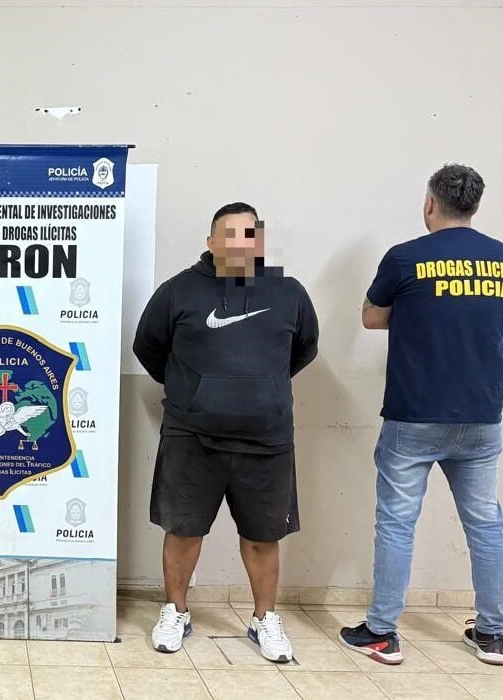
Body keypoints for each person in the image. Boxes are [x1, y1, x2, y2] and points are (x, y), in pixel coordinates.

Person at [341, 164, 503, 667]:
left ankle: (382, 633)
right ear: (475, 206)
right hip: (482, 415)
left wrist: (418, 311)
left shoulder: (405, 257)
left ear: (430, 204)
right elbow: (483, 319)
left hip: (415, 414)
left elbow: (371, 316)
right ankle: (491, 635)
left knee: (397, 524)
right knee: (485, 524)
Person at [133, 202, 319, 662]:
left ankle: (263, 619)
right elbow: (148, 347)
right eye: (229, 234)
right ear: (211, 242)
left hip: (267, 441)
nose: (240, 243)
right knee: (183, 531)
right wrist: (192, 392)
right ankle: (176, 611)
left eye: (249, 234)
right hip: (191, 438)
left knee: (263, 537)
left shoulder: (290, 293)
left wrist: (260, 392)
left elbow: (303, 350)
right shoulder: (177, 291)